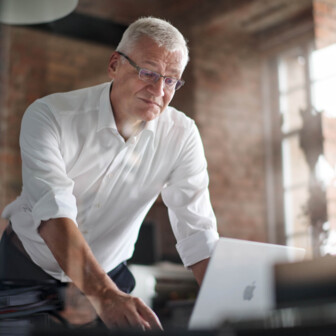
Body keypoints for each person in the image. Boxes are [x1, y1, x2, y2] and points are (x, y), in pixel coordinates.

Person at [0, 17, 219, 330]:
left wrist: (229, 304)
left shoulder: (182, 135)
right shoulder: (50, 116)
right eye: (148, 72)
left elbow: (197, 230)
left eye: (171, 80)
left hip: (110, 275)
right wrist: (103, 294)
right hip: (26, 269)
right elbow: (52, 212)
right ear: (115, 64)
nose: (159, 89)